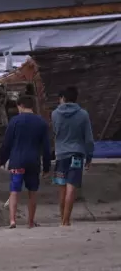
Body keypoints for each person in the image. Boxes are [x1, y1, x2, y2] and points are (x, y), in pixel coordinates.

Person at [0, 91, 50, 228]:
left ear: (20, 106)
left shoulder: (14, 121)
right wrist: (47, 167)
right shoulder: (41, 123)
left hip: (17, 161)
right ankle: (30, 222)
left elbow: (7, 143)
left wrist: (2, 160)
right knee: (32, 191)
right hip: (33, 162)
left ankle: (12, 221)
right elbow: (46, 147)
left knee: (14, 190)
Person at [51, 86, 94, 226]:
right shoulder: (83, 114)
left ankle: (62, 218)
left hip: (61, 154)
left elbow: (55, 131)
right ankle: (66, 220)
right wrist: (89, 156)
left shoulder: (55, 114)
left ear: (63, 98)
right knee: (71, 186)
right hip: (77, 155)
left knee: (62, 186)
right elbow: (88, 138)